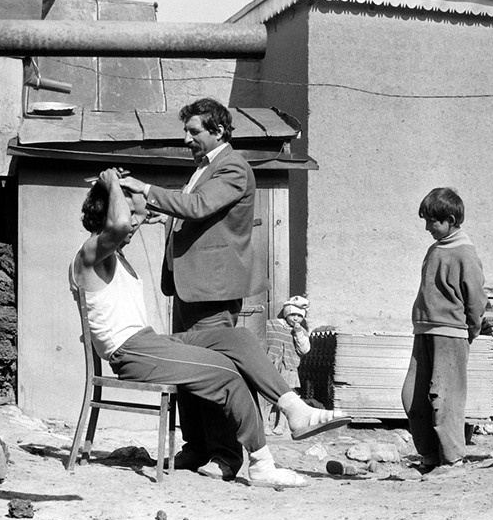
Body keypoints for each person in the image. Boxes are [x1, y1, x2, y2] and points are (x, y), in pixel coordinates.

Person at [69, 167, 350, 487]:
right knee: (225, 370)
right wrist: (109, 184)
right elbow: (118, 223)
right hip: (131, 352)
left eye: (139, 216)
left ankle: (293, 408)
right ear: (106, 212)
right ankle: (261, 464)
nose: (136, 221)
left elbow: (127, 223)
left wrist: (159, 212)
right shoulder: (90, 252)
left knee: (237, 339)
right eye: (132, 214)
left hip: (146, 342)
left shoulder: (112, 256)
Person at [126, 98, 267, 480]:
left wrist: (146, 189)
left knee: (217, 371)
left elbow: (199, 206)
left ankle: (227, 455)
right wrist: (160, 212)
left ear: (218, 131)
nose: (187, 139)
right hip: (191, 287)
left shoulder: (233, 167)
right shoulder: (204, 167)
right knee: (187, 368)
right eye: (186, 131)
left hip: (212, 289)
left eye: (194, 131)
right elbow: (196, 213)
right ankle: (197, 446)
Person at [400, 187, 488, 477]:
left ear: (450, 219)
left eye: (432, 222)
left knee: (444, 397)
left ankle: (453, 461)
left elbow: (475, 298)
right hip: (424, 331)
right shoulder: (435, 249)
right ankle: (429, 456)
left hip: (451, 334)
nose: (427, 227)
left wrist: (472, 329)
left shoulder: (465, 252)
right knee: (413, 396)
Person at [262, 295, 311, 435]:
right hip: (271, 365)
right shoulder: (272, 325)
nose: (296, 319)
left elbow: (304, 349)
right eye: (293, 314)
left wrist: (298, 333)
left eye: (299, 316)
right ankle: (265, 424)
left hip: (288, 368)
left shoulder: (301, 331)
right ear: (286, 313)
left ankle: (281, 425)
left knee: (285, 398)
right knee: (267, 395)